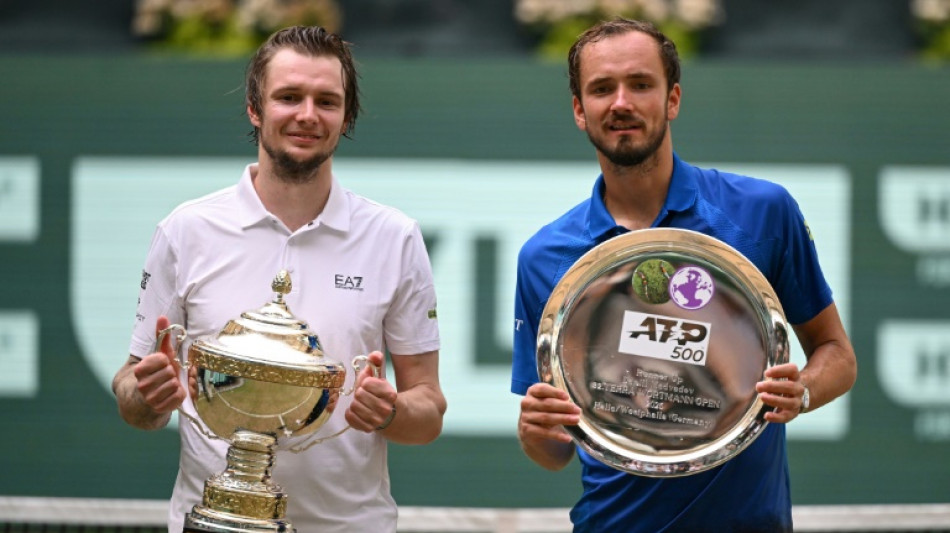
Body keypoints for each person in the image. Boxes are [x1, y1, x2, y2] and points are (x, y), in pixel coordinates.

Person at [511, 18, 857, 533]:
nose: (621, 102)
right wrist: (534, 430)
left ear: (672, 99)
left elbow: (838, 355)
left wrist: (801, 392)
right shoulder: (545, 258)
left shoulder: (764, 213)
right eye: (602, 89)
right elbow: (554, 451)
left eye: (640, 84)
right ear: (581, 111)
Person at [111, 25, 447, 533]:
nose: (307, 115)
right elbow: (133, 394)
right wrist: (146, 396)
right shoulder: (186, 230)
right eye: (289, 97)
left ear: (346, 116)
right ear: (255, 107)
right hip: (211, 523)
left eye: (326, 101)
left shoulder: (394, 237)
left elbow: (428, 409)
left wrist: (390, 411)